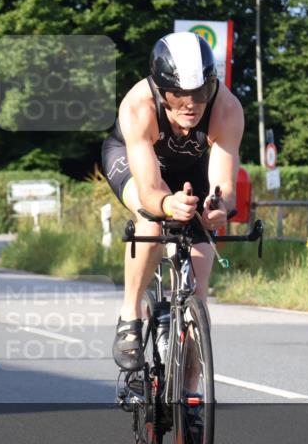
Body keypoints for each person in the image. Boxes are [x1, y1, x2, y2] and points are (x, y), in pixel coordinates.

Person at [101, 32, 244, 370]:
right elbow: (151, 190)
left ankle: (192, 397)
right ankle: (130, 314)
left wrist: (218, 205)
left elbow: (223, 182)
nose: (190, 104)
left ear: (211, 85)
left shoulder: (227, 108)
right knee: (151, 221)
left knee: (199, 280)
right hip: (133, 160)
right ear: (161, 89)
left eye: (199, 93)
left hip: (188, 166)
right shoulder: (138, 106)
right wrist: (167, 206)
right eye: (178, 95)